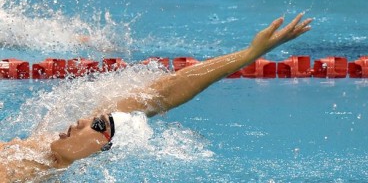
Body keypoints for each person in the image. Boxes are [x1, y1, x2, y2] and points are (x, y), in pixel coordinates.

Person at [0, 13, 312, 182]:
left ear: (103, 148)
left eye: (95, 125)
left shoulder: (29, 175)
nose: (81, 120)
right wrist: (250, 54)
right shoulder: (42, 148)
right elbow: (163, 92)